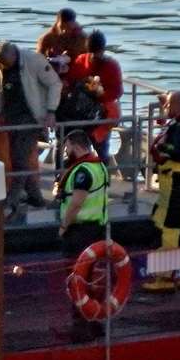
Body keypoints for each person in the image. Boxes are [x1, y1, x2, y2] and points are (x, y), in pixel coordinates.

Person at [144, 91, 180, 293]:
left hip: (177, 181)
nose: (166, 109)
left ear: (177, 106)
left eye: (168, 105)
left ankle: (165, 277)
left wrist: (161, 146)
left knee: (169, 228)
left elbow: (177, 151)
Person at [0, 40, 61, 217]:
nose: (4, 67)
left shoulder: (34, 61)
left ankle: (12, 200)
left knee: (19, 157)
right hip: (10, 118)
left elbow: (55, 83)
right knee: (19, 155)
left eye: (6, 63)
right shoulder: (1, 65)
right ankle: (35, 196)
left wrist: (51, 111)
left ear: (14, 55)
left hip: (30, 117)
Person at [54, 128, 110, 339]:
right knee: (91, 279)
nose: (66, 151)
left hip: (80, 231)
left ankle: (81, 326)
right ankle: (95, 322)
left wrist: (63, 227)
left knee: (76, 279)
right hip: (97, 230)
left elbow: (77, 202)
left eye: (67, 147)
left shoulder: (82, 172)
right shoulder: (100, 166)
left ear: (76, 146)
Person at [66, 30, 123, 163]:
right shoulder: (81, 61)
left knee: (102, 149)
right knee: (73, 145)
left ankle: (103, 172)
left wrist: (100, 94)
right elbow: (71, 82)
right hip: (80, 111)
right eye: (92, 53)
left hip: (100, 114)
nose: (95, 56)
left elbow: (117, 91)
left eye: (98, 53)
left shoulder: (112, 66)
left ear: (103, 50)